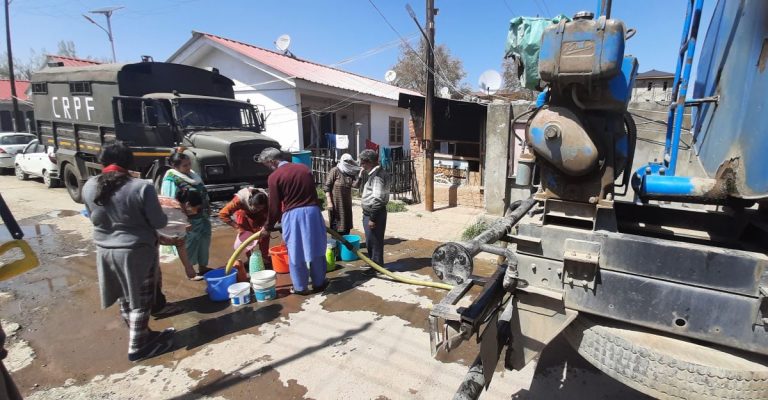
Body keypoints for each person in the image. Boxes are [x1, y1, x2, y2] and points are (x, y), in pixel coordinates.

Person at [82, 141, 174, 362]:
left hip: (105, 251)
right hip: (137, 253)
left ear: (102, 161)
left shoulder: (88, 186)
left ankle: (143, 334)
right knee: (140, 301)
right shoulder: (141, 186)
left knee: (125, 297)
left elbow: (91, 215)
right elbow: (159, 221)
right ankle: (137, 348)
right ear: (129, 162)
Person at [259, 147, 327, 295]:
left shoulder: (274, 177)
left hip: (293, 215)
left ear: (271, 161)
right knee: (316, 248)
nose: (268, 168)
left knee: (296, 252)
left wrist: (268, 226)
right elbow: (314, 193)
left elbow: (274, 206)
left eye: (266, 165)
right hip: (313, 212)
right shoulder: (303, 168)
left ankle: (300, 287)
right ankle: (319, 283)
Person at [160, 150, 212, 280]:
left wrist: (208, 206)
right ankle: (191, 271)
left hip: (202, 216)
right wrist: (182, 221)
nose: (188, 168)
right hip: (188, 219)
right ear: (174, 166)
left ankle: (203, 266)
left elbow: (203, 191)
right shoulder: (171, 180)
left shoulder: (193, 176)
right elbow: (171, 203)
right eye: (185, 165)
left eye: (189, 164)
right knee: (189, 244)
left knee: (204, 241)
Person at [219, 187, 271, 269]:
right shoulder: (240, 199)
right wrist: (237, 227)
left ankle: (264, 258)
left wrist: (267, 226)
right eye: (256, 208)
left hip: (261, 217)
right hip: (244, 214)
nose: (257, 210)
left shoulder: (268, 201)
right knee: (246, 237)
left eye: (260, 208)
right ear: (250, 202)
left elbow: (273, 215)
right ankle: (250, 258)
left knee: (264, 235)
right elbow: (222, 214)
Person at [359, 149, 390, 268]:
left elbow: (378, 199)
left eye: (363, 163)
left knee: (374, 242)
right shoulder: (376, 173)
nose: (362, 165)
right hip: (374, 213)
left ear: (369, 162)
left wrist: (372, 218)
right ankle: (374, 265)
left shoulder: (377, 176)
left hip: (375, 214)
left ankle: (376, 267)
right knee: (371, 241)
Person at [324, 153, 360, 236]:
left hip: (346, 204)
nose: (348, 163)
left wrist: (360, 176)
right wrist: (329, 202)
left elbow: (355, 185)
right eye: (346, 161)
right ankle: (337, 246)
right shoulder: (335, 170)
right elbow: (327, 186)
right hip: (335, 204)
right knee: (336, 225)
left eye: (349, 161)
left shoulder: (350, 172)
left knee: (346, 225)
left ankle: (345, 245)